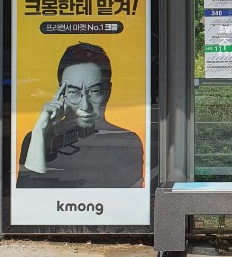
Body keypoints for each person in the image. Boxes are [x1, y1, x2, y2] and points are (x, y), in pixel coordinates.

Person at [17, 42, 143, 189]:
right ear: (61, 94)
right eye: (73, 92)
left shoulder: (126, 141)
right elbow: (28, 196)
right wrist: (40, 134)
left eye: (94, 91)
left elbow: (125, 199)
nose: (84, 106)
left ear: (108, 91)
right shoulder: (36, 137)